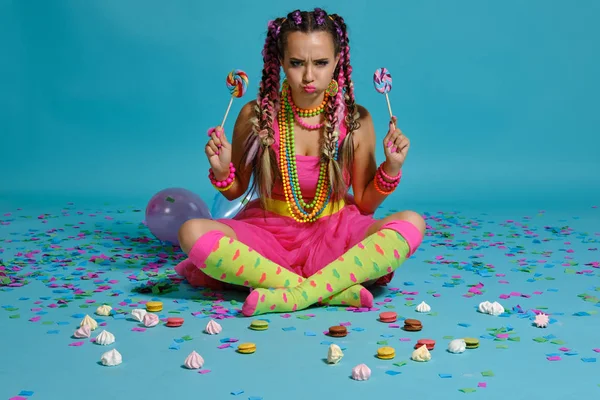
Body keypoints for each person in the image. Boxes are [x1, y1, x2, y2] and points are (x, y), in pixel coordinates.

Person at [175, 8, 426, 316]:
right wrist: (220, 168)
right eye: (296, 63)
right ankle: (328, 290)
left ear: (337, 61)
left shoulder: (356, 120)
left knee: (412, 222)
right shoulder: (255, 115)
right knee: (191, 232)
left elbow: (365, 202)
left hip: (337, 233)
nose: (309, 76)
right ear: (280, 62)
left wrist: (392, 167)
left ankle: (291, 294)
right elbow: (235, 192)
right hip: (269, 233)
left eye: (321, 63)